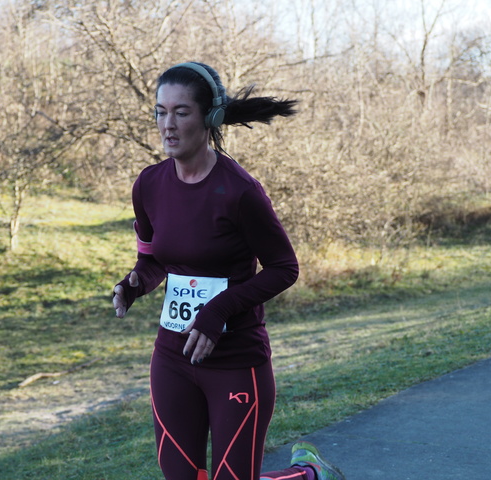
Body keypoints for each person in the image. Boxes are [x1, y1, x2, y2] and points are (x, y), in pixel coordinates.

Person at [113, 62, 345, 480]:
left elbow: (284, 268)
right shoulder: (148, 185)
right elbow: (153, 259)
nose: (168, 124)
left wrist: (218, 310)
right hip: (172, 356)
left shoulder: (239, 191)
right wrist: (135, 284)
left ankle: (308, 474)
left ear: (210, 118)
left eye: (181, 112)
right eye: (160, 112)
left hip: (236, 360)